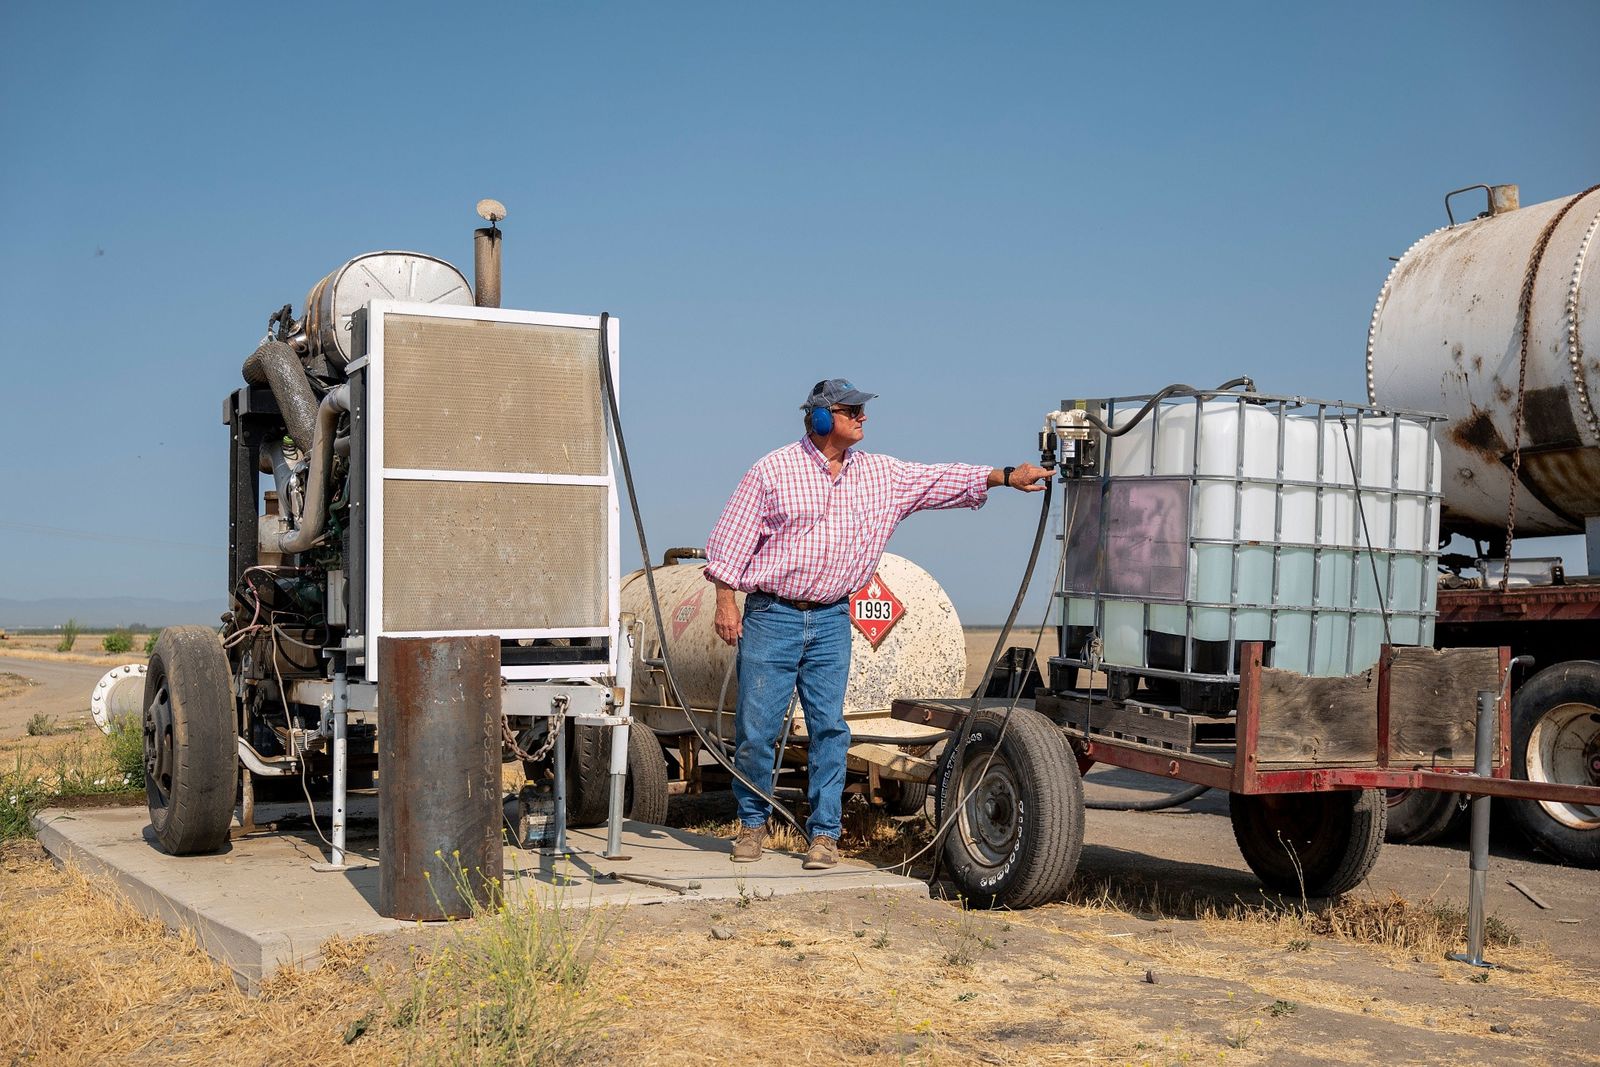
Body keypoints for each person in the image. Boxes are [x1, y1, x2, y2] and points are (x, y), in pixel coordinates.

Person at [703, 378, 1053, 869]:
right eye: (852, 410)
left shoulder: (881, 476)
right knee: (757, 730)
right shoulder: (772, 470)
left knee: (829, 729)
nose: (863, 418)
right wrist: (726, 602)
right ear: (822, 418)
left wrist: (1006, 475)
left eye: (862, 410)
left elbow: (941, 480)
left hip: (830, 618)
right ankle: (752, 825)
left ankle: (824, 835)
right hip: (772, 616)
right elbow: (730, 540)